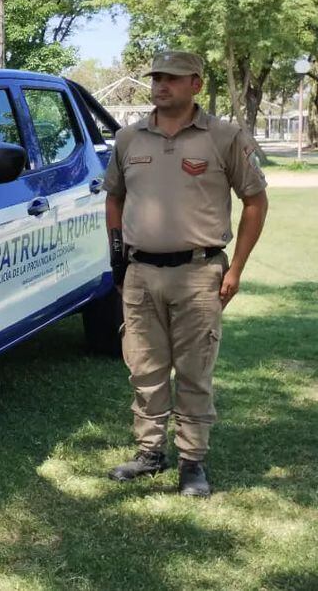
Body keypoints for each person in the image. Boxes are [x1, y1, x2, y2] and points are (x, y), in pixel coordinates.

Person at [103, 50, 268, 497]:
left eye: (172, 79)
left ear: (196, 84)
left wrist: (235, 268)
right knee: (144, 367)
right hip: (140, 273)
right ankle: (150, 452)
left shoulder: (224, 137)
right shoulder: (129, 138)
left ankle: (192, 461)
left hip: (199, 274)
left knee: (194, 371)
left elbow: (255, 201)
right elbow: (114, 198)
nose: (161, 86)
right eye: (157, 77)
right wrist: (119, 260)